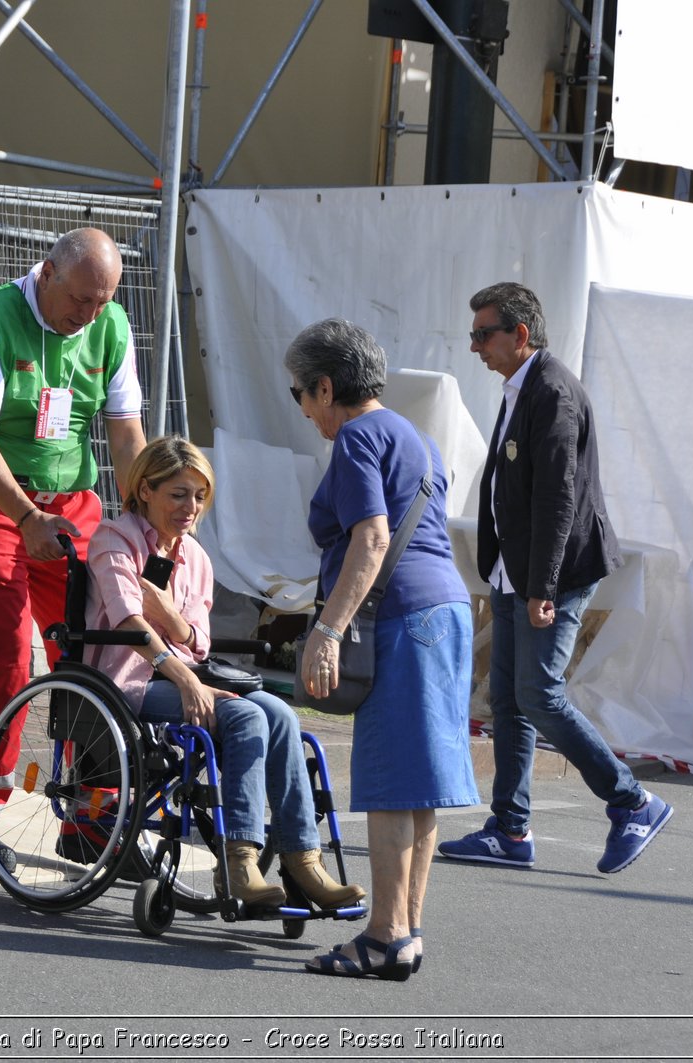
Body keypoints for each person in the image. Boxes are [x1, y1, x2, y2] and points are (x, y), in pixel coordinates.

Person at [0, 228, 148, 873]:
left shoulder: (111, 327)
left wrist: (144, 514)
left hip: (71, 499)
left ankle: (92, 814)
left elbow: (126, 432)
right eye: (80, 300)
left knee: (104, 645)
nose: (90, 315)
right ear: (46, 274)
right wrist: (25, 517)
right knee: (1, 652)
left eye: (103, 302)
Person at [438, 282, 673, 875]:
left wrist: (541, 587)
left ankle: (632, 802)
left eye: (482, 334)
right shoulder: (522, 386)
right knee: (512, 699)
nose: (474, 347)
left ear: (520, 335)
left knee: (540, 695)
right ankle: (510, 831)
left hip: (553, 572)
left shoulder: (553, 393)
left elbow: (558, 499)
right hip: (517, 568)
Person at [85, 435, 365, 910]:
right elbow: (128, 621)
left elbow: (200, 639)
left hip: (185, 674)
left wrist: (173, 619)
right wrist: (184, 674)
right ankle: (238, 863)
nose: (190, 507)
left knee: (280, 714)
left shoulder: (195, 556)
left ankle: (304, 861)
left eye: (199, 496)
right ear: (145, 490)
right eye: (178, 494)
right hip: (126, 682)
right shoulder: (114, 538)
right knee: (244, 718)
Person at [284, 319, 478, 981]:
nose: (305, 410)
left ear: (327, 385)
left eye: (301, 394)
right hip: (446, 611)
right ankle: (405, 932)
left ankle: (385, 933)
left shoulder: (360, 435)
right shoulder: (419, 439)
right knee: (418, 786)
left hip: (402, 615)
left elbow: (369, 537)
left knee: (392, 785)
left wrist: (327, 629)